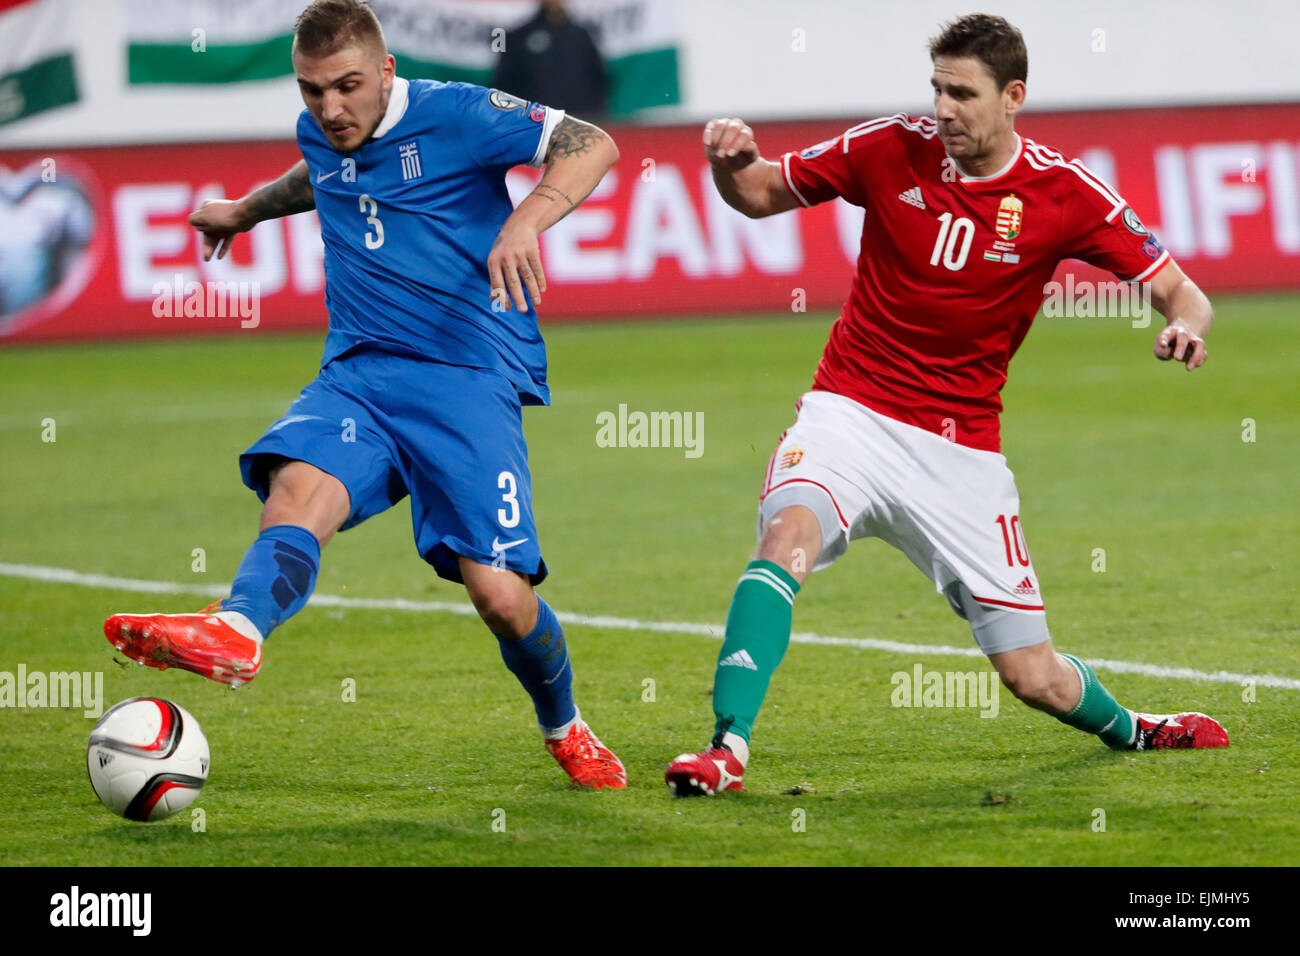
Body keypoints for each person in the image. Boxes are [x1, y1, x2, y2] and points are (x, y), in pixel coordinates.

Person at [665, 13, 1228, 797]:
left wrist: (1184, 329)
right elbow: (759, 194)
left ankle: (1134, 729)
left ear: (1014, 97)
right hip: (849, 413)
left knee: (1033, 675)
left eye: (963, 93)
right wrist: (735, 164)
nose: (944, 109)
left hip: (960, 452)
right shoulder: (886, 148)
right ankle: (727, 749)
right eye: (937, 88)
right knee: (784, 537)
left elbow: (1181, 291)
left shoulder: (1063, 193)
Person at [104, 0, 627, 790]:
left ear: (386, 70)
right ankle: (238, 629)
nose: (330, 108)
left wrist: (528, 220)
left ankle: (566, 726)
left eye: (347, 86)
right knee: (295, 488)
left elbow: (593, 143)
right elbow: (320, 172)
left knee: (499, 598)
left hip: (467, 375)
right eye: (312, 91)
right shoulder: (321, 129)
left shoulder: (457, 114)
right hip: (359, 372)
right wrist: (245, 212)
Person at [491, 0, 608, 119]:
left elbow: (598, 79)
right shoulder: (518, 37)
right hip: (536, 125)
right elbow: (504, 86)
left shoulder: (581, 35)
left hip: (578, 123)